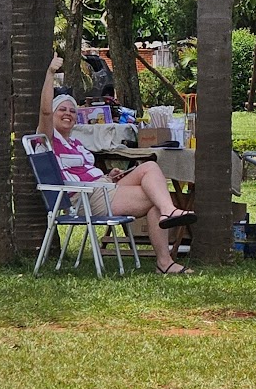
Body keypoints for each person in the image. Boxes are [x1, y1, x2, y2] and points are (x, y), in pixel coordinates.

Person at [40, 55, 197, 274]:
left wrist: (108, 176)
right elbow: (45, 112)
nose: (68, 114)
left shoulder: (75, 142)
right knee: (156, 199)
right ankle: (165, 259)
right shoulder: (48, 140)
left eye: (72, 111)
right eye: (62, 110)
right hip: (84, 198)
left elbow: (86, 171)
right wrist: (49, 74)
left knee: (149, 167)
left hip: (101, 187)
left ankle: (167, 218)